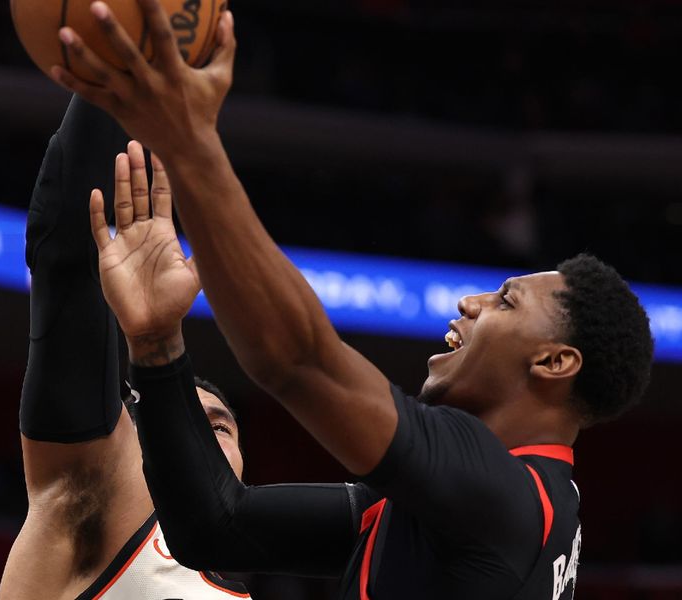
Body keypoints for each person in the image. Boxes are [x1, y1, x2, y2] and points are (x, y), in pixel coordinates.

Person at [56, 2, 655, 598]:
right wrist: (157, 345)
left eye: (506, 302)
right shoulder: (499, 503)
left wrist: (189, 145)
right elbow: (218, 526)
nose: (471, 302)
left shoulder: (499, 492)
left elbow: (298, 359)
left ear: (555, 362)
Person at [0, 97, 251, 599]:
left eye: (219, 426)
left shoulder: (241, 580)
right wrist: (110, 77)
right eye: (174, 425)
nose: (198, 437)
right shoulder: (92, 489)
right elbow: (64, 251)